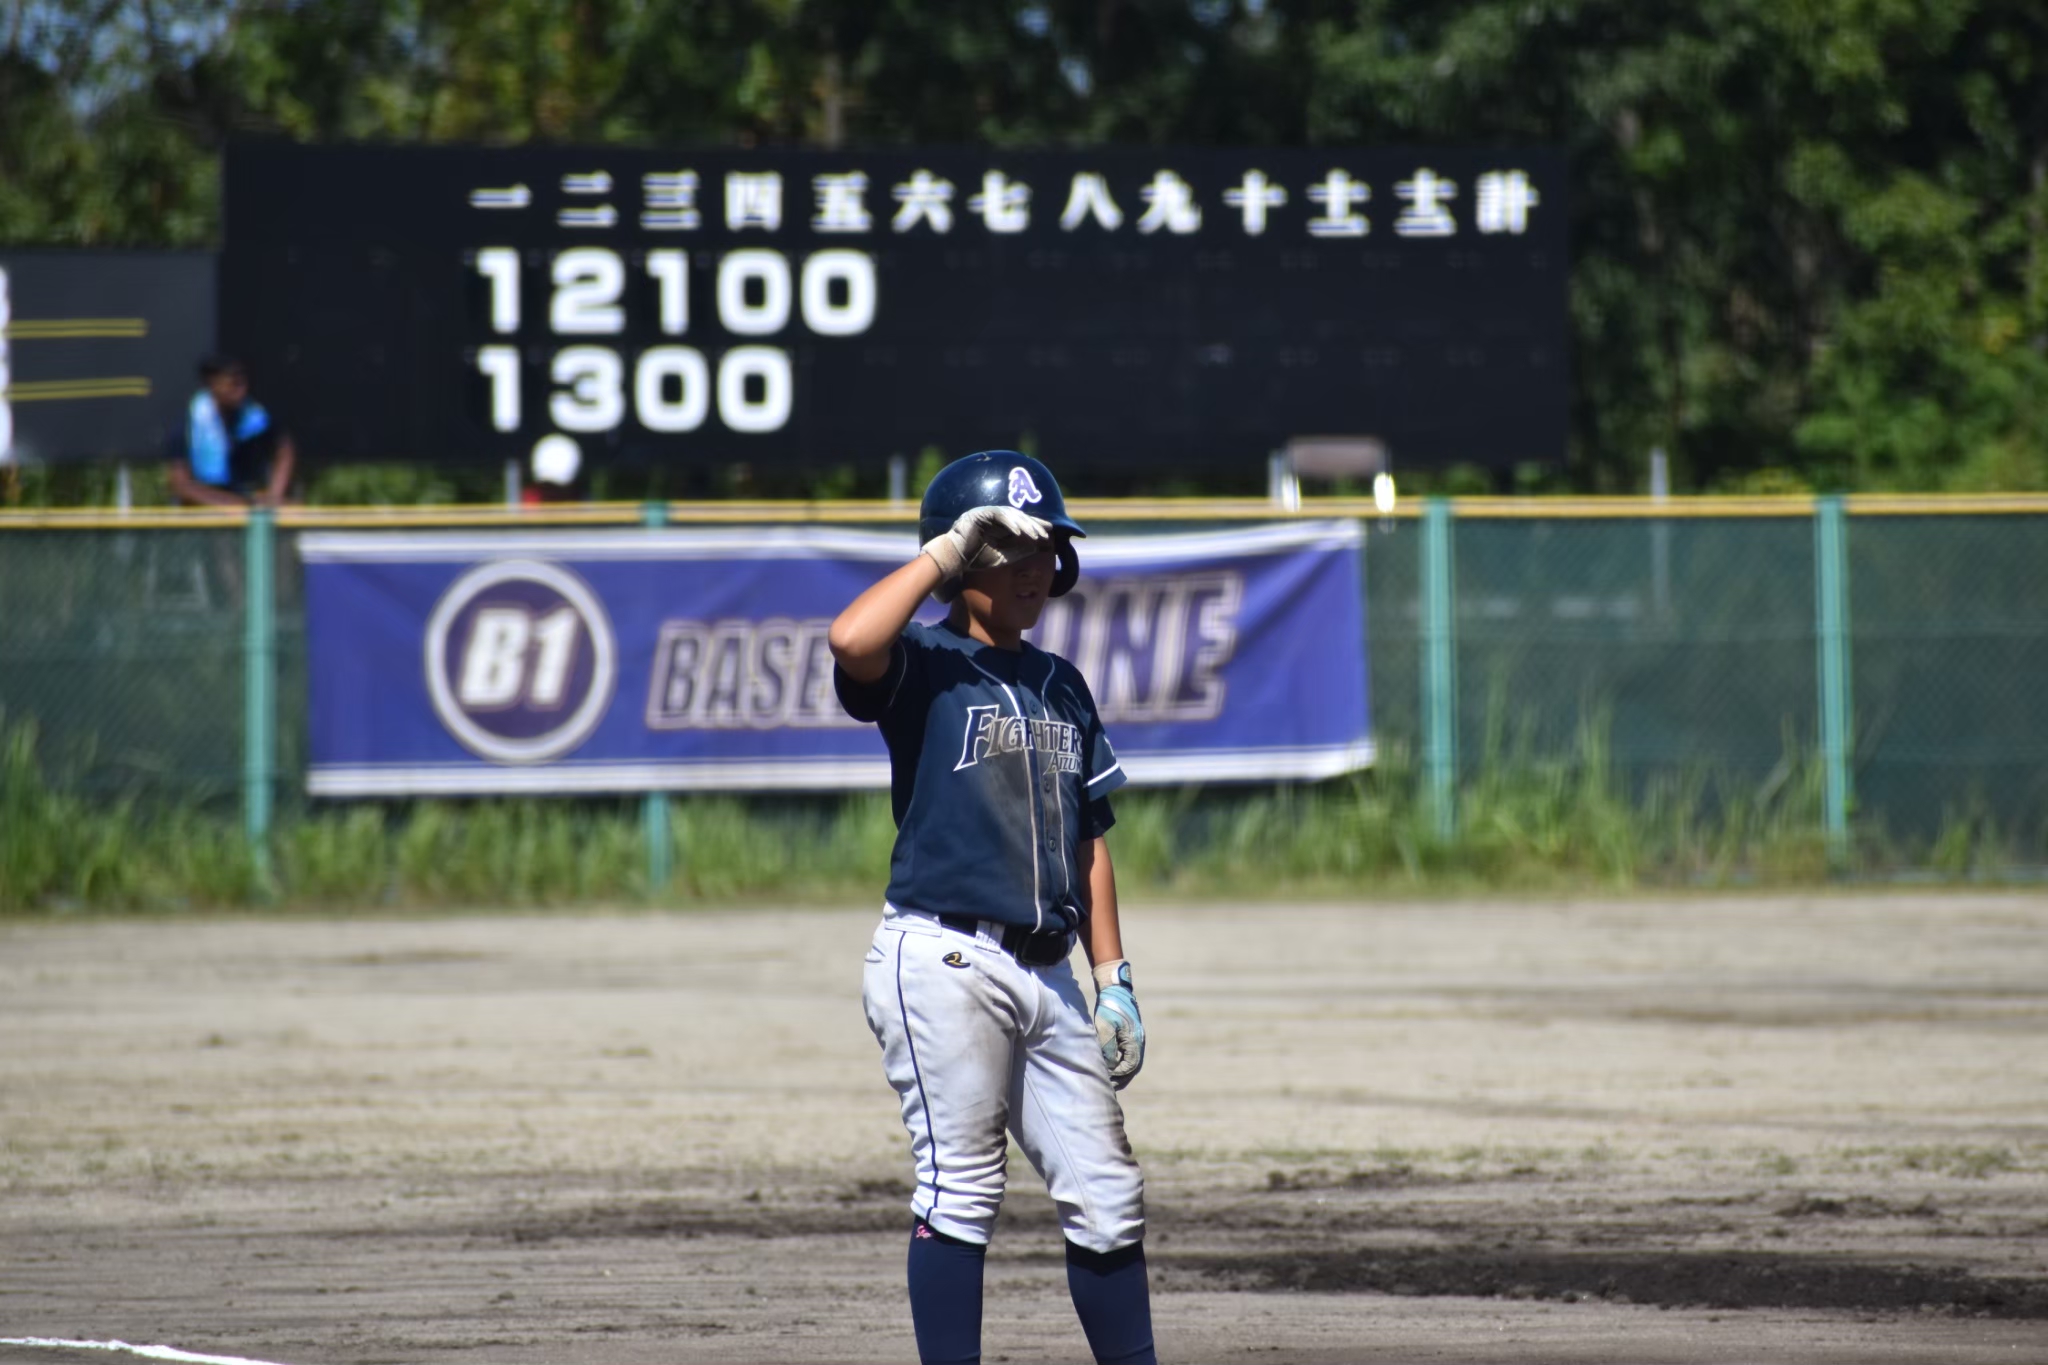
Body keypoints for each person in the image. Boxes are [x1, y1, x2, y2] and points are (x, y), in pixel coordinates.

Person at [829, 451, 1155, 1365]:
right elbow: (851, 641)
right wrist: (943, 551)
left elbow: (1090, 838)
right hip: (943, 957)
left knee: (1108, 1195)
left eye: (1045, 547)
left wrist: (1114, 977)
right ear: (963, 557)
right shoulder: (924, 662)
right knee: (963, 1190)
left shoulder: (1062, 683)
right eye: (1009, 548)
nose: (1034, 567)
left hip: (1050, 970)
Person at [167, 355, 295, 508]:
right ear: (213, 383)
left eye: (243, 382)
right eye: (234, 383)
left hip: (248, 505)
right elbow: (181, 485)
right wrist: (235, 505)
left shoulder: (256, 419)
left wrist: (274, 495)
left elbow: (284, 449)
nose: (241, 390)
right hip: (202, 512)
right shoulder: (189, 425)